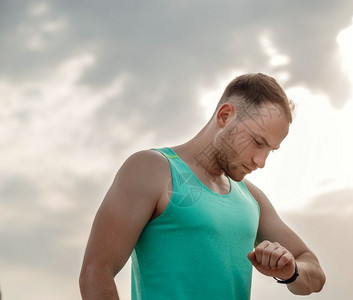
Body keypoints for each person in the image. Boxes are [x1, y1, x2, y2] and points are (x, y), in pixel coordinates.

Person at [79, 73, 326, 299]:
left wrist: (291, 271)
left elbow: (314, 273)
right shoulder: (152, 169)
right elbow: (95, 273)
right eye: (257, 142)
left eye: (271, 150)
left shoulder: (252, 198)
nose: (261, 161)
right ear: (225, 116)